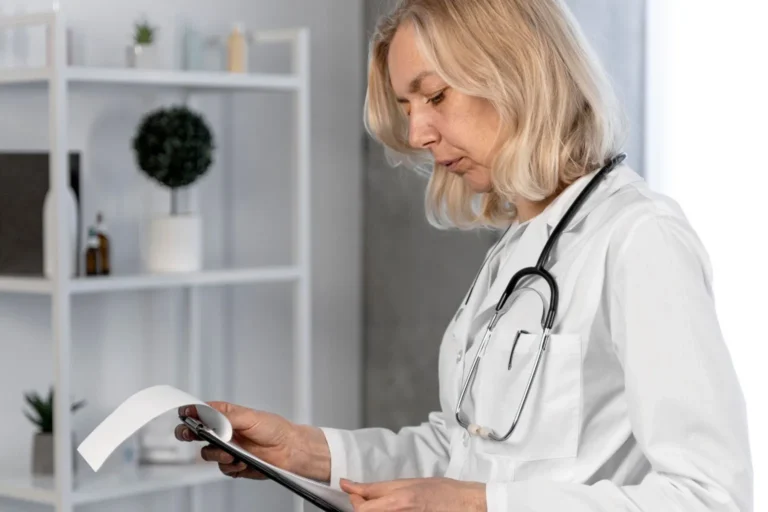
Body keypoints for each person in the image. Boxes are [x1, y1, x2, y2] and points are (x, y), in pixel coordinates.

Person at [175, 0, 754, 510]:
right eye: (408, 106)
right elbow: (465, 449)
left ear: (517, 71)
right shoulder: (520, 249)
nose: (418, 133)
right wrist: (303, 450)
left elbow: (709, 497)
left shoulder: (639, 238)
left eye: (434, 95)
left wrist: (481, 506)